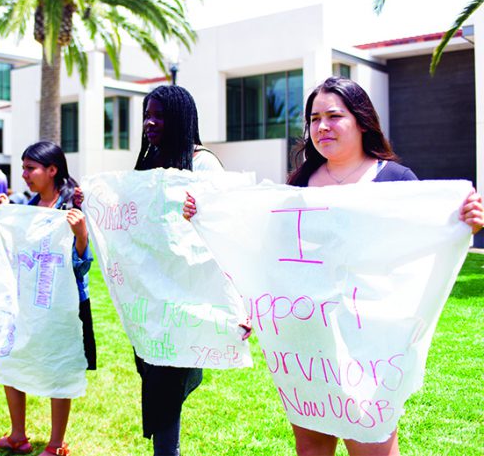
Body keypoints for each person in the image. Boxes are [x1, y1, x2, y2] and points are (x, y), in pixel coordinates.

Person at [184, 76, 483, 456]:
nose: (321, 127)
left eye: (334, 116)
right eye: (313, 118)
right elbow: (268, 253)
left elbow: (419, 246)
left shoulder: (396, 182)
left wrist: (461, 220)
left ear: (361, 121)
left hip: (372, 345)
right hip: (308, 343)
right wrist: (208, 215)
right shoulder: (301, 184)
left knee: (372, 444)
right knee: (311, 446)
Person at [135, 84, 250, 456]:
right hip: (152, 296)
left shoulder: (201, 164)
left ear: (181, 119)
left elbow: (226, 227)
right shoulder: (150, 161)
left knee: (167, 386)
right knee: (154, 378)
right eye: (147, 115)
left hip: (187, 297)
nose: (150, 122)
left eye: (160, 115)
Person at [0, 141, 94, 456]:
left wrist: (81, 235)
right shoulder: (29, 207)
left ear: (52, 170)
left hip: (63, 306)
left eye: (30, 168)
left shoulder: (73, 206)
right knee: (11, 358)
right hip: (27, 302)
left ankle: (56, 443)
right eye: (23, 168)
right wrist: (6, 215)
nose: (24, 175)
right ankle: (18, 435)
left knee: (58, 366)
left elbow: (84, 263)